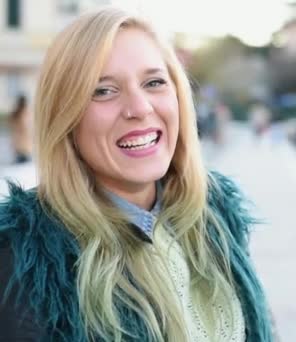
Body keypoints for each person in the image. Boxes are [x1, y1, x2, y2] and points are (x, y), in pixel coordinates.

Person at [0, 8, 272, 342]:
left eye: (154, 82)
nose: (140, 107)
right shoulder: (23, 260)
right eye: (103, 90)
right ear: (66, 117)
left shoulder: (218, 220)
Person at [8, 94, 33, 164]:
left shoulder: (14, 115)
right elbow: (26, 129)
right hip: (25, 148)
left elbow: (13, 130)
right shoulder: (24, 114)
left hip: (17, 147)